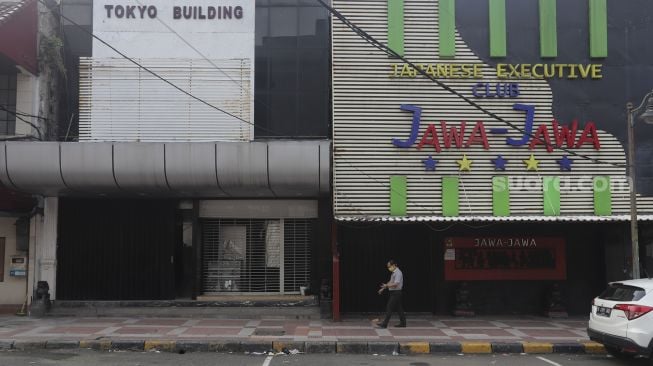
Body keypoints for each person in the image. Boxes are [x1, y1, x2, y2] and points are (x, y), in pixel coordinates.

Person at [376, 259, 406, 328]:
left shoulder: (398, 273)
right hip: (394, 292)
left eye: (390, 266)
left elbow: (396, 284)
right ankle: (403, 323)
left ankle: (384, 324)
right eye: (388, 267)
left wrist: (386, 286)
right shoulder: (394, 272)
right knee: (399, 308)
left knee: (389, 307)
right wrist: (383, 288)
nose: (389, 268)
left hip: (396, 293)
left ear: (394, 265)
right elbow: (390, 281)